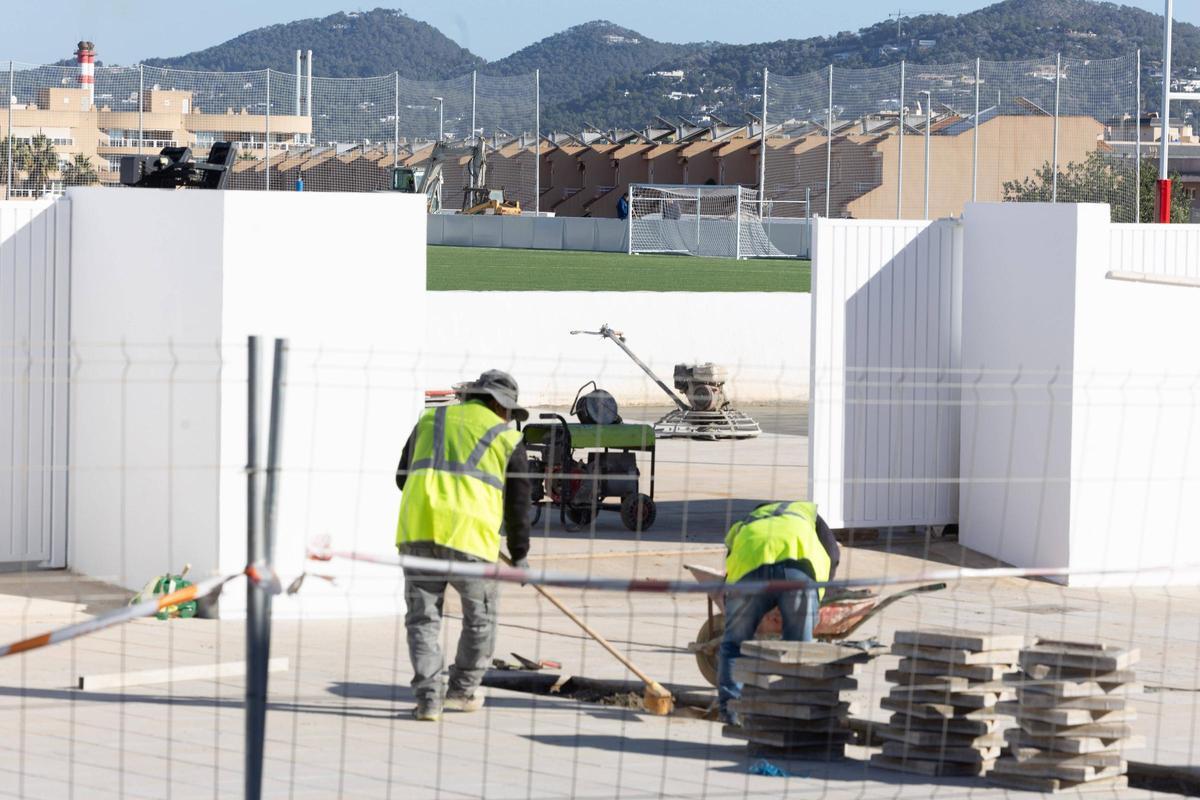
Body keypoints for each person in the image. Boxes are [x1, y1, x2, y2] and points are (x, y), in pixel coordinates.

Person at [395, 369, 532, 721]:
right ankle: (462, 691)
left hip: (418, 530)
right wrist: (519, 556)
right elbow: (518, 506)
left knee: (423, 620)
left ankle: (428, 700)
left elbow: (401, 477)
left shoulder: (431, 418)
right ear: (502, 406)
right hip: (470, 538)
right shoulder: (506, 437)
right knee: (480, 619)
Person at [717, 500, 840, 724]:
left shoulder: (748, 521)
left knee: (734, 645)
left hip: (749, 571)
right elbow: (833, 555)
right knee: (799, 648)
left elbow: (730, 562)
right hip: (797, 573)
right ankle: (794, 713)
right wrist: (820, 596)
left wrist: (731, 605)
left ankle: (729, 711)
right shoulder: (808, 514)